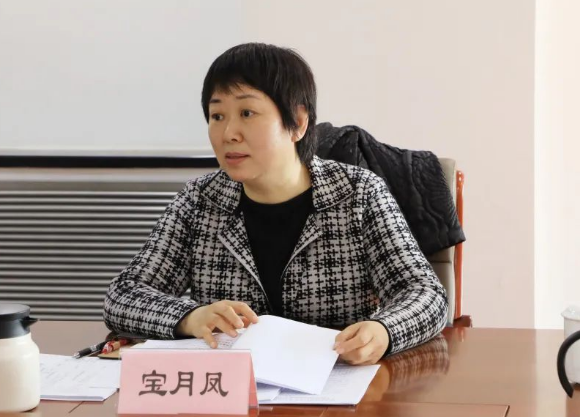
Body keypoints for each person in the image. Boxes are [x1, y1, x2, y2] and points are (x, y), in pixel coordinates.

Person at [103, 43, 448, 365]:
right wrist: (189, 318)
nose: (228, 133)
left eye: (247, 113)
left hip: (335, 383)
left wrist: (384, 331)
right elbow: (123, 295)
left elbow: (426, 294)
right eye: (217, 116)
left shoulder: (359, 194)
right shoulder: (199, 201)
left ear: (297, 123)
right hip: (231, 389)